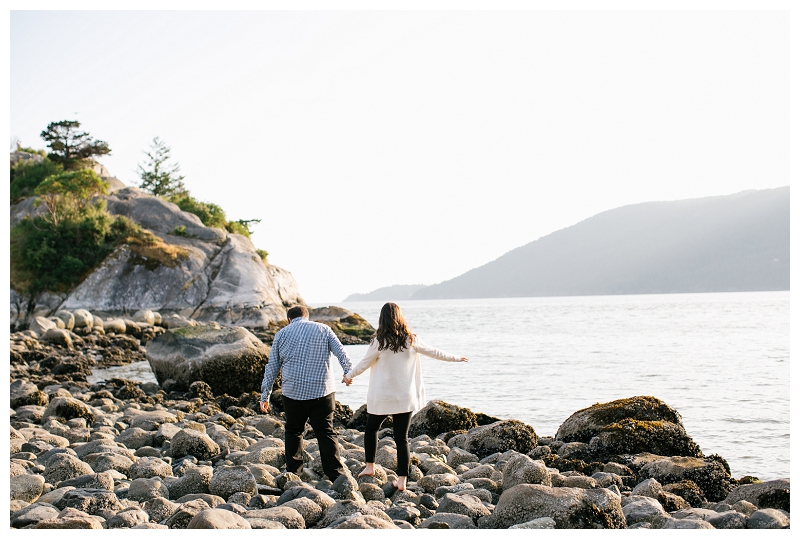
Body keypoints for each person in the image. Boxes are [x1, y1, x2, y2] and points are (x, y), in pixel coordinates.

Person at [342, 302, 468, 491]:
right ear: (400, 317)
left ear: (381, 319)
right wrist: (456, 357)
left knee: (371, 429)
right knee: (402, 438)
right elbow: (434, 352)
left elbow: (364, 363)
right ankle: (402, 480)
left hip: (383, 398)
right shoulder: (411, 340)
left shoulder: (379, 341)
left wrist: (348, 376)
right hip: (404, 398)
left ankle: (370, 467)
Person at [260, 305, 353, 482]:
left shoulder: (282, 334)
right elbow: (341, 352)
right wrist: (348, 373)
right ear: (307, 317)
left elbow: (272, 367)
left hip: (293, 393)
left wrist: (265, 395)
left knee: (294, 432)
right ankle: (336, 476)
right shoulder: (324, 329)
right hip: (322, 391)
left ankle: (294, 474)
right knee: (326, 432)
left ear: (289, 319)